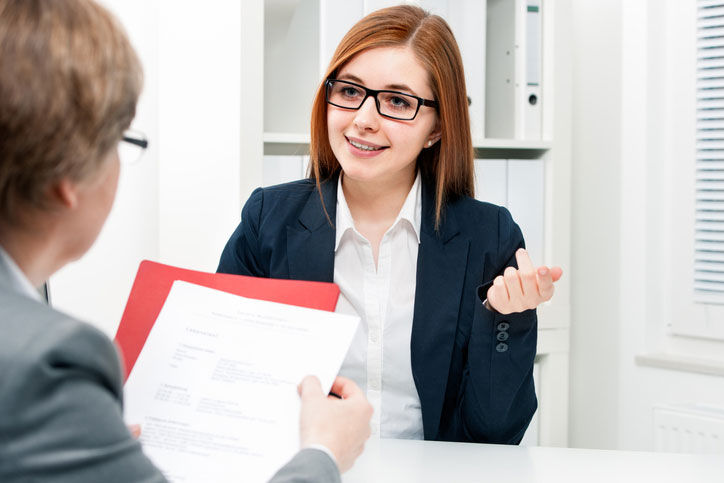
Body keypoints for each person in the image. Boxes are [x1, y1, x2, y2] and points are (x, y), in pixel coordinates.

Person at [0, 1, 371, 482]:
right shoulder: (52, 363)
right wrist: (324, 451)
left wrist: (94, 450)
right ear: (66, 178)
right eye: (120, 142)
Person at [218, 5, 563, 444]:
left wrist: (508, 317)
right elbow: (227, 385)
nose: (363, 119)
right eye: (348, 91)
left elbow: (494, 432)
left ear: (437, 127)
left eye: (397, 101)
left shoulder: (488, 236)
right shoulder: (267, 221)